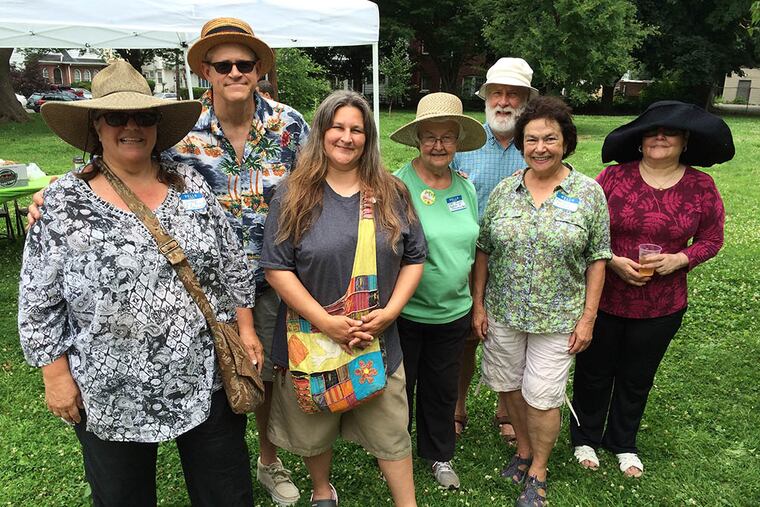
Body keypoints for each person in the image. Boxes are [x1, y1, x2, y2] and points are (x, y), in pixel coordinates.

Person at [26, 19, 309, 505]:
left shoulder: (190, 185)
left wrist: (244, 329)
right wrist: (56, 377)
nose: (131, 127)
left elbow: (231, 264)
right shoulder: (63, 203)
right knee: (122, 495)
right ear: (96, 126)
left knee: (225, 490)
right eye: (116, 119)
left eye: (143, 117)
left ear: (159, 125)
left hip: (202, 375)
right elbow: (38, 302)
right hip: (110, 385)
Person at [260, 90, 426, 507]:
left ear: (368, 138)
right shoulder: (293, 194)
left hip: (376, 340)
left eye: (357, 129)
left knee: (391, 430)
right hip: (311, 339)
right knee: (315, 424)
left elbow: (414, 258)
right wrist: (325, 321)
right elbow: (277, 268)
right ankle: (322, 491)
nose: (347, 137)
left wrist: (390, 312)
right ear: (321, 132)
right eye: (338, 127)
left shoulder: (392, 192)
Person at [570, 100, 731, 478]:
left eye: (670, 131)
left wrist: (681, 259)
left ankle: (623, 443)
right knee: (593, 370)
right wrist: (611, 260)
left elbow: (712, 239)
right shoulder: (612, 178)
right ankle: (585, 438)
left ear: (685, 140)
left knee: (637, 375)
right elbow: (583, 228)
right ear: (640, 141)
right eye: (652, 131)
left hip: (662, 304)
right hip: (605, 295)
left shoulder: (701, 186)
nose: (660, 137)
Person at [472, 96, 611, 507]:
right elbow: (484, 250)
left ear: (566, 141)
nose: (540, 147)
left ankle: (539, 468)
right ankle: (523, 451)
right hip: (504, 311)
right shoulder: (503, 192)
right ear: (521, 144)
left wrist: (588, 318)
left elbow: (598, 258)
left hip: (558, 316)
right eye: (531, 139)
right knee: (510, 385)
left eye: (550, 138)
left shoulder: (588, 193)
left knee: (543, 395)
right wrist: (478, 305)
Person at [390, 92, 485, 489]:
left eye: (447, 137)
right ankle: (396, 454)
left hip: (453, 311)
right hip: (406, 312)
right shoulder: (396, 185)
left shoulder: (466, 187)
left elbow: (477, 249)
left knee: (442, 390)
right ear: (417, 140)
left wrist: (477, 303)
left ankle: (439, 455)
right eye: (429, 136)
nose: (438, 145)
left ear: (458, 141)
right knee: (399, 392)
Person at [450, 57, 538, 443]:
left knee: (511, 335)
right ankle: (457, 405)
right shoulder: (465, 143)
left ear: (525, 102)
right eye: (497, 93)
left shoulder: (535, 145)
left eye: (513, 95)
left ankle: (506, 409)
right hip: (467, 257)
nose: (504, 102)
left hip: (522, 261)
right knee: (466, 336)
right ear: (486, 98)